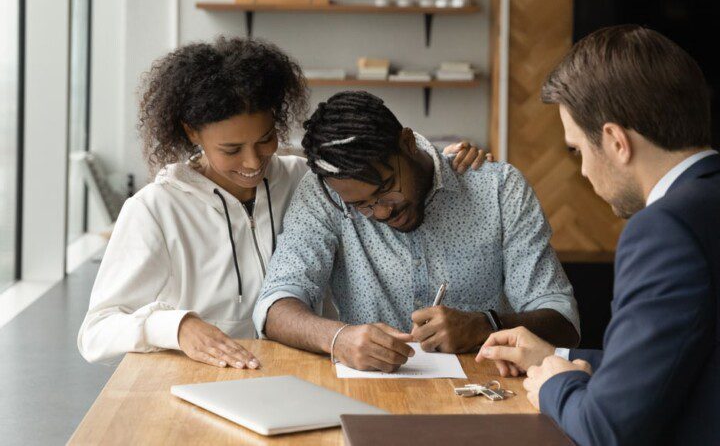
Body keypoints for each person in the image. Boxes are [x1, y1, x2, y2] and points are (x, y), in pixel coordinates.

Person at [77, 37, 488, 369]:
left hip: (301, 374)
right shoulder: (154, 210)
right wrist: (177, 327)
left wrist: (439, 159)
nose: (254, 162)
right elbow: (96, 331)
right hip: (201, 381)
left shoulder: (302, 178)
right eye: (232, 149)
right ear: (191, 133)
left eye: (265, 140)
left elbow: (375, 158)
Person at [477, 25, 719, 445]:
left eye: (576, 150)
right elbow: (681, 363)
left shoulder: (664, 230)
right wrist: (558, 358)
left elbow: (607, 430)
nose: (584, 170)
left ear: (615, 141)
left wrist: (555, 386)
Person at [253, 90, 580, 373]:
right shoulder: (323, 193)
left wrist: (485, 325)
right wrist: (337, 339)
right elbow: (274, 307)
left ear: (407, 144)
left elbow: (564, 324)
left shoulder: (498, 188)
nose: (381, 212)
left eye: (386, 189)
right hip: (371, 394)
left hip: (485, 395)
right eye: (361, 206)